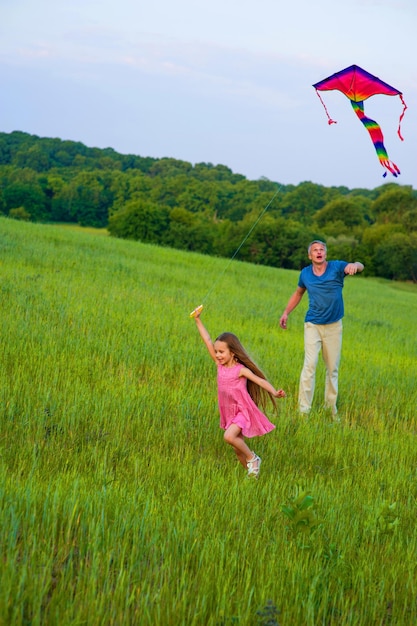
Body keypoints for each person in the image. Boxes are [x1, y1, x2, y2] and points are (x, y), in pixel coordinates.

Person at [192, 308, 286, 478]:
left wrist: (274, 391)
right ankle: (252, 477)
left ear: (232, 353)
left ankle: (254, 458)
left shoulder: (240, 370)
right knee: (237, 450)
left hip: (242, 411)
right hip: (229, 412)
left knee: (229, 437)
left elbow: (260, 381)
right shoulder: (219, 365)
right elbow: (206, 339)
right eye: (216, 351)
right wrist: (197, 319)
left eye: (222, 352)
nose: (218, 355)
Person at [279, 240, 364, 417]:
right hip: (313, 325)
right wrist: (286, 312)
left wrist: (354, 265)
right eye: (315, 250)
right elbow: (298, 293)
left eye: (322, 249)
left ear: (325, 253)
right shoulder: (305, 274)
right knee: (309, 366)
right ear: (310, 256)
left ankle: (330, 410)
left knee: (332, 368)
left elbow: (360, 265)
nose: (319, 252)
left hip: (334, 326)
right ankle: (303, 410)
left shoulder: (337, 267)